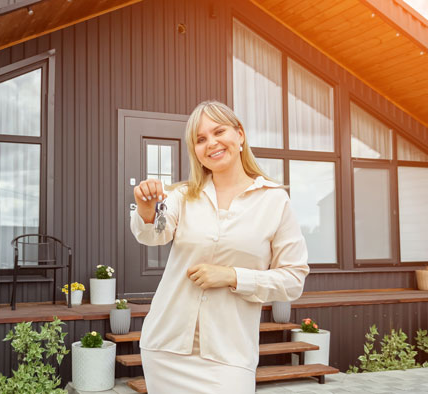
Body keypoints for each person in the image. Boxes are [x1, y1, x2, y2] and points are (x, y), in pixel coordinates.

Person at [130, 100, 310, 394]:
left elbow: (293, 280)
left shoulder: (274, 200)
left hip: (230, 354)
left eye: (218, 131)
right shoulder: (181, 196)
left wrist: (233, 276)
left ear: (239, 135)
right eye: (200, 139)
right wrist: (147, 209)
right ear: (196, 152)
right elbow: (155, 234)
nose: (211, 143)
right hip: (166, 346)